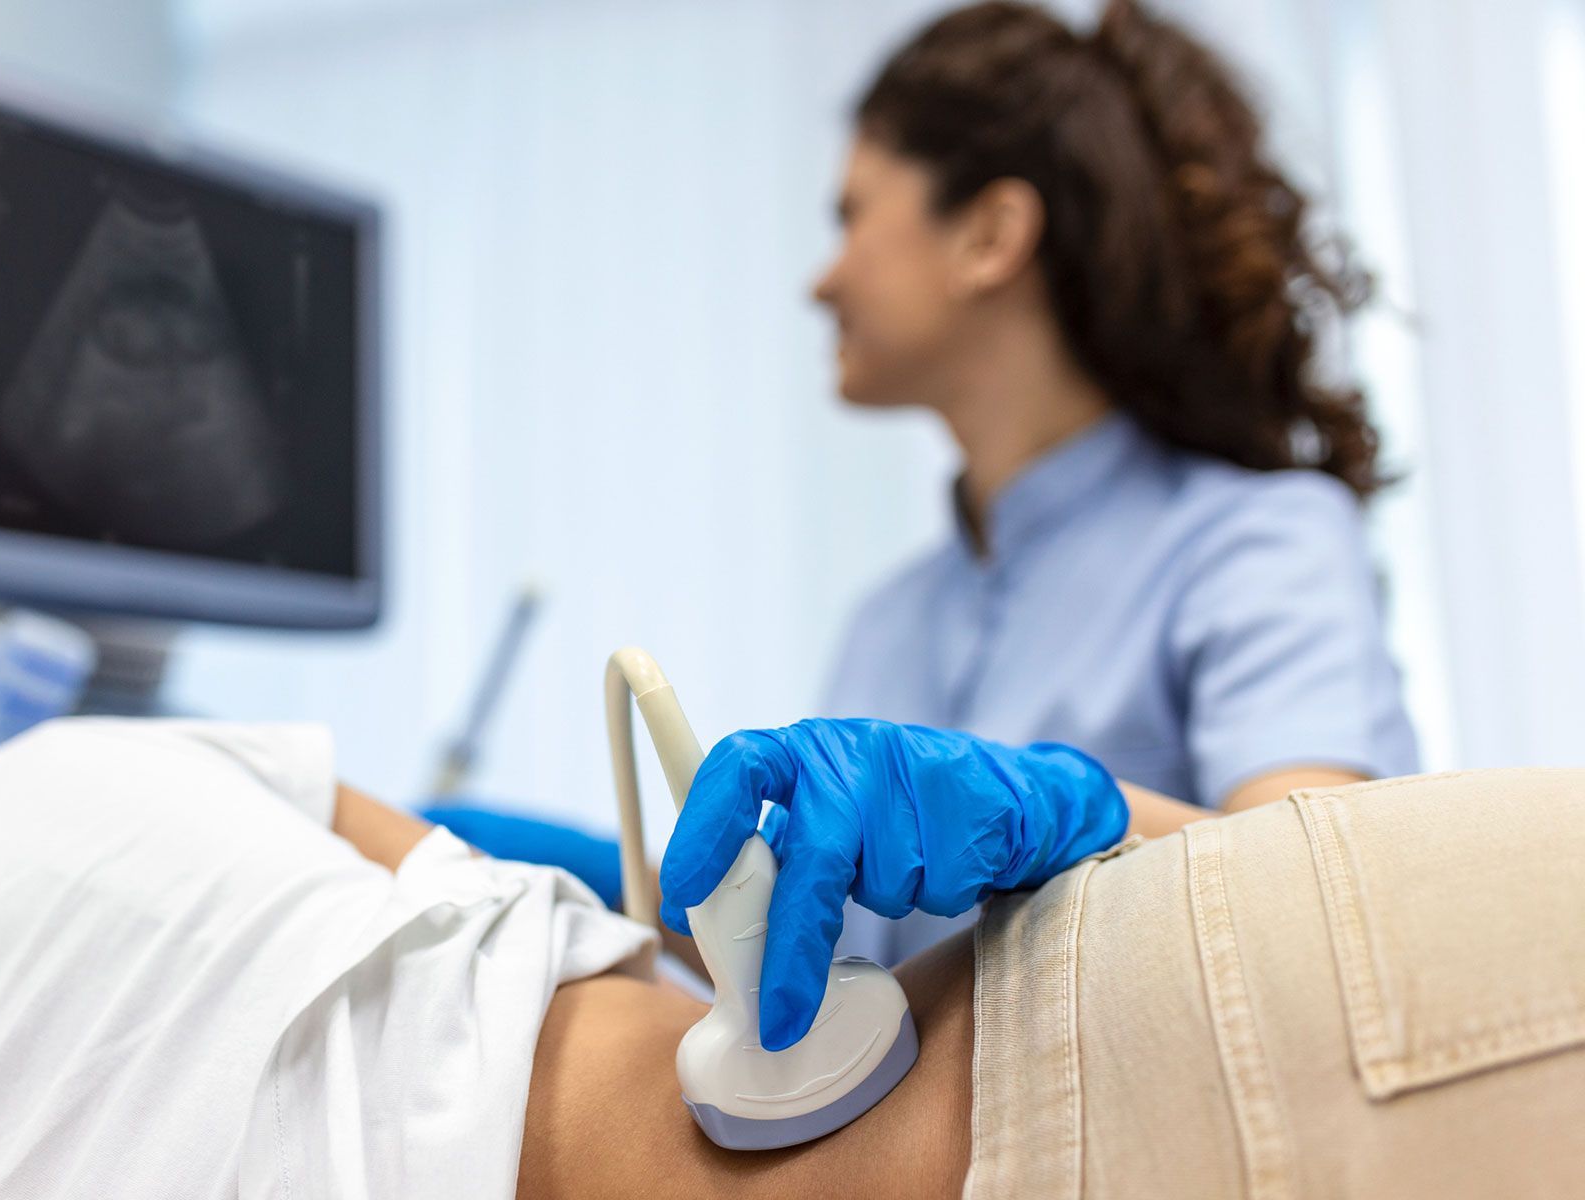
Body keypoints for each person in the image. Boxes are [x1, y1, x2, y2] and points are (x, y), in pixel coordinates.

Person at [431, 0, 1419, 970]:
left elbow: (1316, 911)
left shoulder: (1259, 544)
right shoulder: (888, 625)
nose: (823, 282)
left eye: (853, 216)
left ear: (990, 234)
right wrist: (624, 888)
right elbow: (848, 990)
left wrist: (1068, 818)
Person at [0, 717, 1581, 1198]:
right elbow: (531, 891)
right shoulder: (60, 777)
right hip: (1177, 991)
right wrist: (1099, 817)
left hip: (1156, 1089)